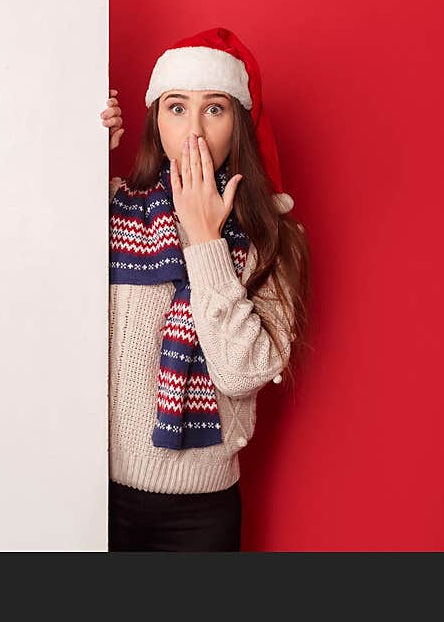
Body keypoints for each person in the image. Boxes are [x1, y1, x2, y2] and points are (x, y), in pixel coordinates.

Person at [100, 27, 311, 551]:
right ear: (155, 121)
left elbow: (243, 375)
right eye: (176, 107)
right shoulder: (107, 211)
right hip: (90, 495)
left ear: (236, 122)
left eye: (214, 109)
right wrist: (74, 159)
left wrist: (205, 242)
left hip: (202, 514)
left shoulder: (276, 238)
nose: (193, 130)